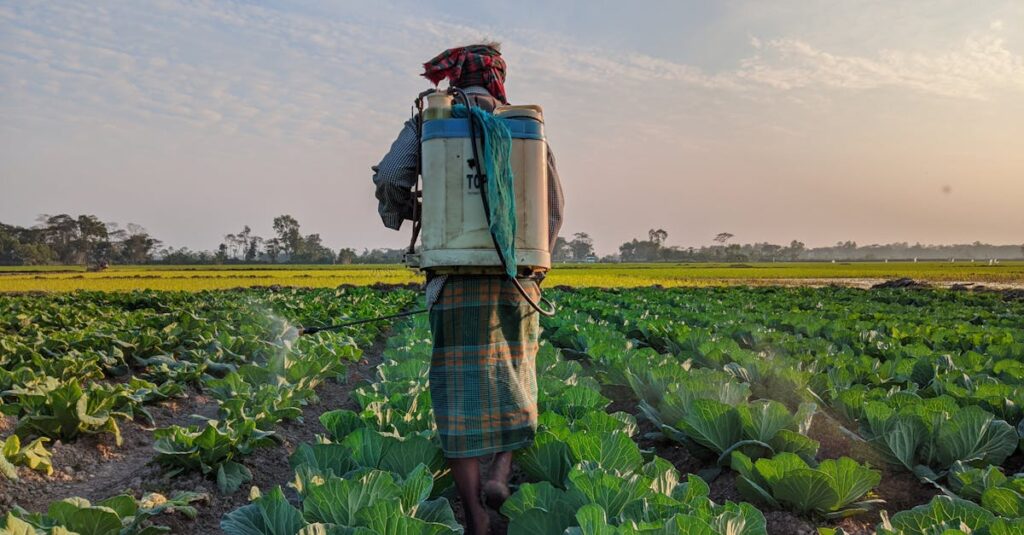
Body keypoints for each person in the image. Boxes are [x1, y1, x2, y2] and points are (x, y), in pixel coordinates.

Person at [372, 42, 564, 534]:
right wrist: (536, 263)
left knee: (457, 401)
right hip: (515, 280)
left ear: (453, 79)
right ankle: (501, 472)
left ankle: (476, 519)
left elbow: (393, 174)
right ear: (499, 79)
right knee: (517, 382)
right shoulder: (524, 126)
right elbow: (554, 203)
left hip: (453, 281)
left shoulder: (431, 122)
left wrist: (411, 211)